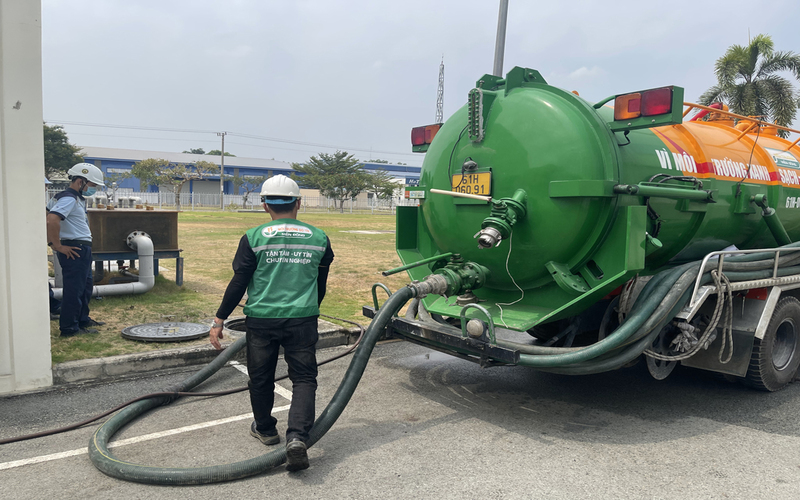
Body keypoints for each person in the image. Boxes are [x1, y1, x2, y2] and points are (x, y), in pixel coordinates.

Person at [210, 175, 333, 473]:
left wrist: (219, 319)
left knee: (261, 376)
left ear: (265, 205)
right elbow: (321, 282)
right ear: (299, 203)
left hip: (262, 320)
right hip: (302, 319)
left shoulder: (253, 237)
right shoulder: (319, 238)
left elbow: (239, 282)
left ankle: (265, 429)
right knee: (304, 378)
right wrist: (311, 308)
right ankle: (298, 438)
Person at [46, 163, 106, 337]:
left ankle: (82, 319)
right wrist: (56, 246)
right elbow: (51, 219)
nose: (92, 189)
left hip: (81, 247)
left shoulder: (73, 198)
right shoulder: (69, 198)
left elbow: (46, 215)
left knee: (85, 286)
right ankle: (69, 328)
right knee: (75, 289)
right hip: (75, 248)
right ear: (81, 181)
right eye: (92, 186)